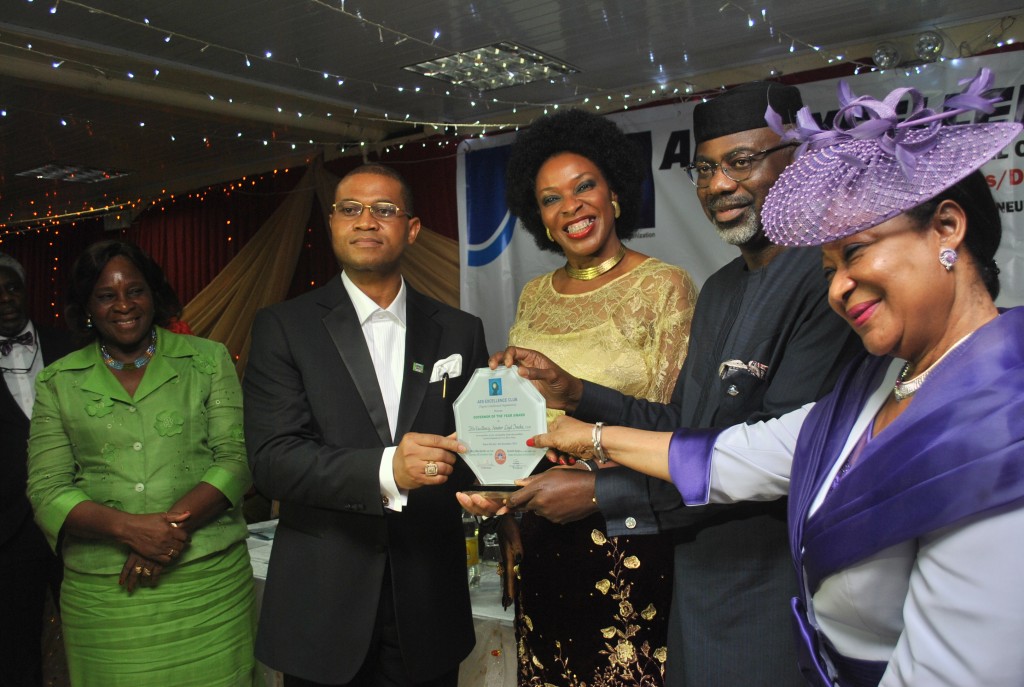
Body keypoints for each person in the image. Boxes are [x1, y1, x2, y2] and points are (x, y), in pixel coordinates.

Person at [531, 69, 1024, 686]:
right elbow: (726, 446)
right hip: (702, 593)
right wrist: (578, 407)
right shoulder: (858, 381)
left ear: (948, 228)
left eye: (858, 251)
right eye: (704, 170)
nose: (841, 286)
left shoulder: (997, 405)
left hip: (765, 606)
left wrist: (599, 486)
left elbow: (757, 466)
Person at [482, 82, 862, 685]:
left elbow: (770, 460)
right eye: (705, 168)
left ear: (800, 159)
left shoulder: (826, 281)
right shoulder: (722, 289)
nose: (718, 185)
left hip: (764, 588)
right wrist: (575, 393)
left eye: (742, 161)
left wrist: (600, 491)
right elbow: (684, 424)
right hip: (694, 578)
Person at [461, 109, 697, 685]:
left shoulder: (665, 286)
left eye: (584, 186)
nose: (571, 206)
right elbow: (523, 418)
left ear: (615, 193)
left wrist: (595, 487)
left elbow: (678, 428)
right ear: (538, 218)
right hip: (540, 528)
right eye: (550, 199)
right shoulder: (535, 295)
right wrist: (504, 499)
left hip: (627, 526)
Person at [244, 164, 489, 687]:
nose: (366, 221)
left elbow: (473, 451)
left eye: (384, 210)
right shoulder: (283, 327)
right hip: (324, 603)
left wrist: (495, 484)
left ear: (413, 229)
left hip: (428, 600)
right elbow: (272, 461)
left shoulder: (461, 331)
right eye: (350, 209)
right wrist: (387, 469)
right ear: (331, 223)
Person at [26, 240, 256, 686]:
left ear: (154, 295)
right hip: (105, 596)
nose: (124, 305)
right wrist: (131, 531)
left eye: (135, 291)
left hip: (207, 586)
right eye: (106, 295)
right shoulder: (58, 381)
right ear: (87, 307)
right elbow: (47, 490)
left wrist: (168, 531)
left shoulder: (207, 361)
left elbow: (236, 460)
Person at [0, 253, 75, 687]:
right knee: (16, 647)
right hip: (8, 530)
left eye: (12, 287)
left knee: (89, 632)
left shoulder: (70, 346)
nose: (6, 298)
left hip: (75, 519)